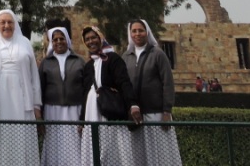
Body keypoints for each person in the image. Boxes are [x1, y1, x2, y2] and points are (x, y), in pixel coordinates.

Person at [0, 9, 42, 166]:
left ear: (15, 24)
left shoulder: (25, 43)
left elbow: (34, 76)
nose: (6, 25)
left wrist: (36, 105)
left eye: (10, 22)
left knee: (21, 136)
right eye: (3, 22)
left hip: (22, 101)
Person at [122, 19, 182, 166]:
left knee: (161, 156)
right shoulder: (126, 57)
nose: (137, 34)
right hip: (136, 116)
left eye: (140, 30)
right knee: (139, 157)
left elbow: (168, 83)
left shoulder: (158, 54)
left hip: (156, 114)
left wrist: (167, 111)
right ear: (130, 34)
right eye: (134, 31)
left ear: (147, 32)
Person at [78, 25, 138, 166]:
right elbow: (85, 93)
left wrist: (133, 104)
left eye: (93, 37)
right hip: (91, 112)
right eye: (87, 39)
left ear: (100, 38)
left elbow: (124, 83)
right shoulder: (88, 65)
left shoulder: (113, 59)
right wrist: (82, 119)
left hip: (109, 110)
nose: (91, 41)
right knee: (95, 144)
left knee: (113, 145)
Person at [39, 26, 85, 166]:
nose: (59, 42)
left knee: (75, 145)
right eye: (55, 40)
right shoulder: (46, 62)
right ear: (51, 42)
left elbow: (85, 88)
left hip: (75, 109)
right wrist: (40, 115)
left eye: (61, 38)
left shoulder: (79, 60)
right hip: (52, 110)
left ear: (67, 40)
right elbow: (40, 88)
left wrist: (83, 115)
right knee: (54, 146)